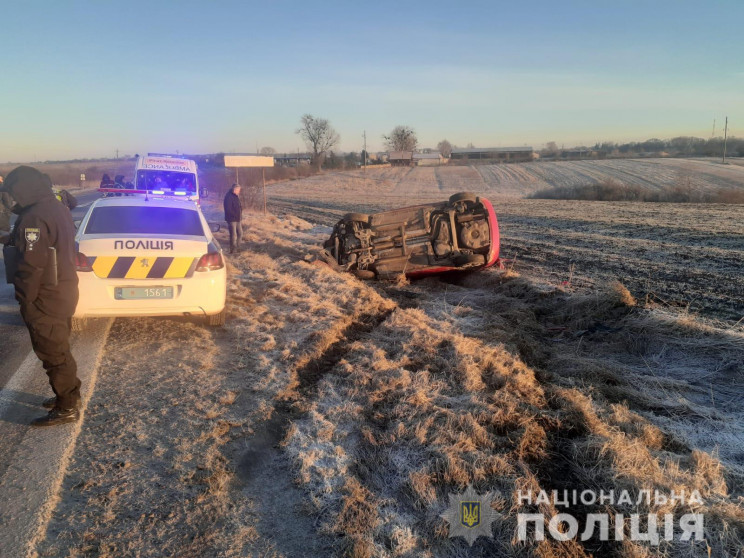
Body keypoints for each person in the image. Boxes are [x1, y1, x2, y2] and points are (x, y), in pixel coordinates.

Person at [1, 166, 81, 426]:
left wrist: (25, 298)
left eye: (12, 192)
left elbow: (31, 265)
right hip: (64, 290)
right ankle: (68, 396)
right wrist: (8, 238)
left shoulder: (33, 217)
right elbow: (43, 245)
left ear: (23, 189)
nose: (11, 198)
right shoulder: (56, 207)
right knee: (60, 348)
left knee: (53, 353)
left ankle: (67, 407)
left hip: (45, 297)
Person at [223, 184, 243, 254]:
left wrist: (240, 215)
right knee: (233, 235)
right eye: (238, 190)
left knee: (240, 233)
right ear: (235, 189)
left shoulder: (236, 196)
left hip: (238, 218)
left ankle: (238, 247)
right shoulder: (228, 197)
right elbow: (228, 209)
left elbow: (239, 206)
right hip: (231, 219)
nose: (239, 192)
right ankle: (233, 250)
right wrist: (234, 215)